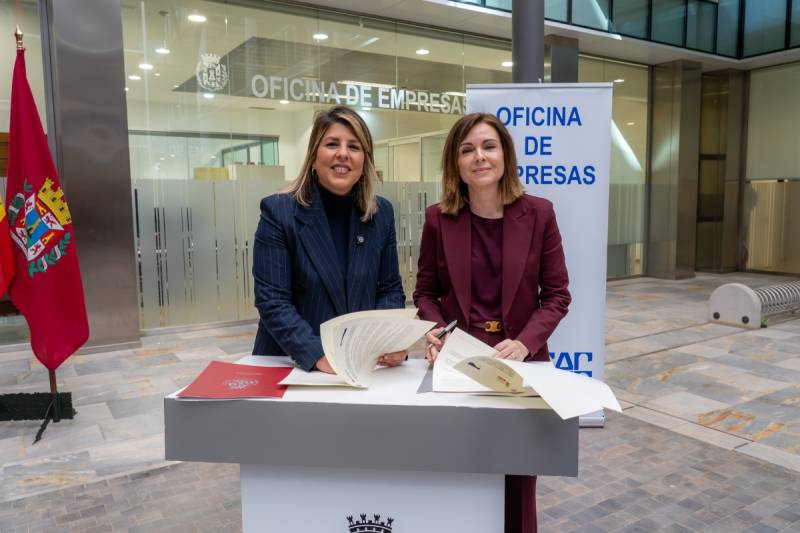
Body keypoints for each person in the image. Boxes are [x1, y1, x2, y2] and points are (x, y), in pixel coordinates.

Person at [413, 112, 571, 533]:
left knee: (517, 476)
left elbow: (557, 295)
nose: (479, 157)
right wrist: (436, 331)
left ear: (505, 155)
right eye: (467, 150)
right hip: (460, 363)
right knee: (463, 472)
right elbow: (425, 293)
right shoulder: (438, 218)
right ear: (456, 163)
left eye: (488, 146)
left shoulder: (539, 214)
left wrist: (524, 343)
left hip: (521, 363)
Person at [252, 105, 407, 373]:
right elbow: (273, 301)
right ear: (314, 156)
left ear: (365, 162)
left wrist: (389, 339)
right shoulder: (278, 211)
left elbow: (390, 289)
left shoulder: (381, 213)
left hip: (360, 363)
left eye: (354, 147)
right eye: (332, 144)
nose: (343, 154)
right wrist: (318, 355)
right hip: (293, 363)